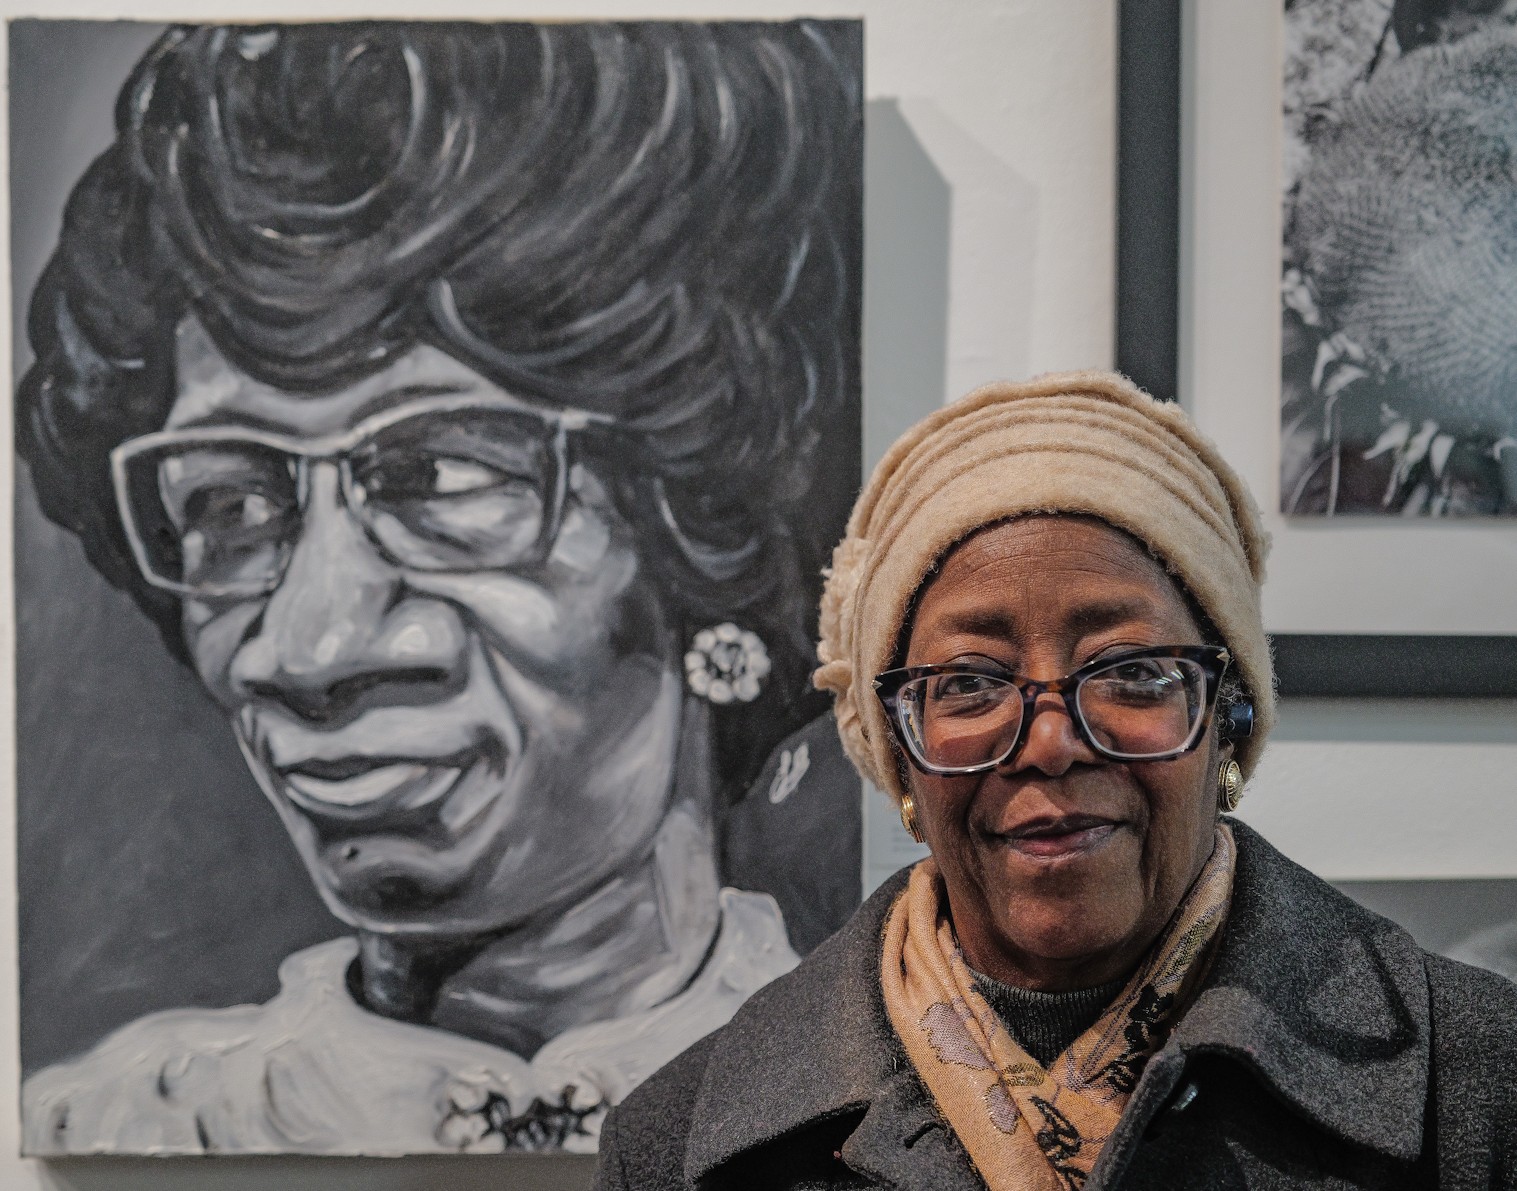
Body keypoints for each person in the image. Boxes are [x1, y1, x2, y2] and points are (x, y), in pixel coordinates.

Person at [16, 20, 861, 1154]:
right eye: (230, 503)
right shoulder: (120, 1125)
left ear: (696, 526)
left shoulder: (871, 1116)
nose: (306, 649)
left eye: (440, 479)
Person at [595, 372, 1517, 1188]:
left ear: (1227, 724)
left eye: (1132, 671)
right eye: (967, 682)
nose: (1049, 743)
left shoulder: (1482, 1089)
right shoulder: (678, 1145)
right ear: (899, 755)